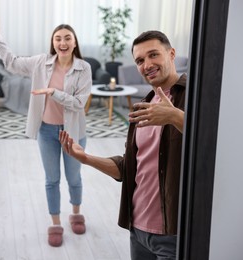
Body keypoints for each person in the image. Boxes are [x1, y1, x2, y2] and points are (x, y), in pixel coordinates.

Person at [59, 30, 186, 259]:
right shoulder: (143, 105)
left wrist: (174, 117)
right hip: (137, 229)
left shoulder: (195, 95)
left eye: (153, 55)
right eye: (140, 60)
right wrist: (85, 158)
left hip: (174, 234)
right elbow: (129, 167)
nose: (147, 64)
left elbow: (213, 143)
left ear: (171, 53)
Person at [0, 12, 92, 247]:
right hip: (47, 132)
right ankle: (55, 222)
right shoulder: (41, 62)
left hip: (73, 131)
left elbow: (80, 102)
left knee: (74, 178)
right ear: (53, 42)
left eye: (67, 38)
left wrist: (54, 93)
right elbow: (10, 62)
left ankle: (76, 211)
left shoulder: (84, 68)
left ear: (75, 42)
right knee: (52, 179)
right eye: (58, 38)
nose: (62, 43)